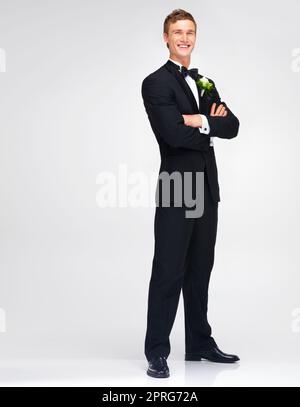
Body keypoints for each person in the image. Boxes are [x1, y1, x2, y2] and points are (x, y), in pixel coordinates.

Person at [141, 9, 240, 379]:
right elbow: (171, 135)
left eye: (190, 32)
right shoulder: (155, 83)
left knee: (200, 270)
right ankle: (157, 351)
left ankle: (199, 342)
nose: (184, 37)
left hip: (207, 188)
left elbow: (233, 125)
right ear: (166, 38)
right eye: (177, 32)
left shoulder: (205, 82)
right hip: (176, 186)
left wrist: (198, 120)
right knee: (168, 270)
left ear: (195, 37)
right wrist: (208, 129)